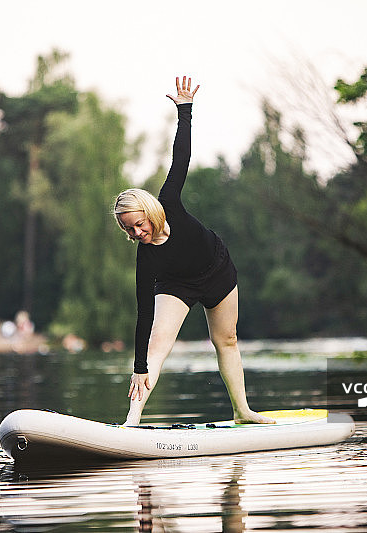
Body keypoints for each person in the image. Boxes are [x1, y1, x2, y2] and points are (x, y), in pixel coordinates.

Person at [113, 76, 274, 426]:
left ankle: (242, 411)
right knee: (157, 349)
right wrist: (138, 367)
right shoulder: (147, 259)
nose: (137, 232)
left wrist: (184, 111)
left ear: (150, 211)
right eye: (129, 228)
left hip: (217, 269)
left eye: (140, 223)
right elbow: (144, 316)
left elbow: (181, 157)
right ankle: (132, 421)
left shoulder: (168, 201)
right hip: (177, 285)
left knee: (226, 339)